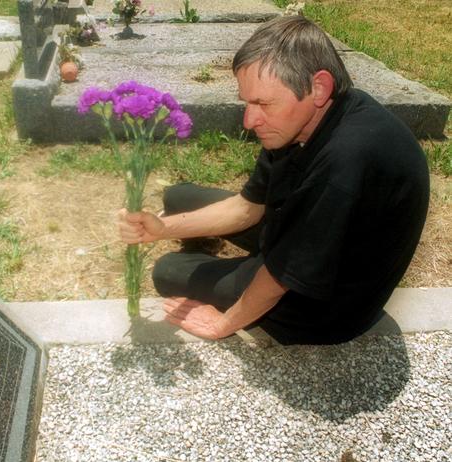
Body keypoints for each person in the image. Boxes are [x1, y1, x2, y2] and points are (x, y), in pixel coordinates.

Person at [117, 15, 430, 345]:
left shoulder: (343, 164)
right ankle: (230, 260)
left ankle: (232, 268)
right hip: (309, 238)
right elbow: (248, 208)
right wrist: (163, 229)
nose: (249, 120)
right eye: (247, 102)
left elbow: (281, 278)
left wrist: (222, 324)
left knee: (168, 271)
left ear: (318, 88)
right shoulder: (303, 121)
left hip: (321, 305)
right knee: (178, 197)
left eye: (263, 103)